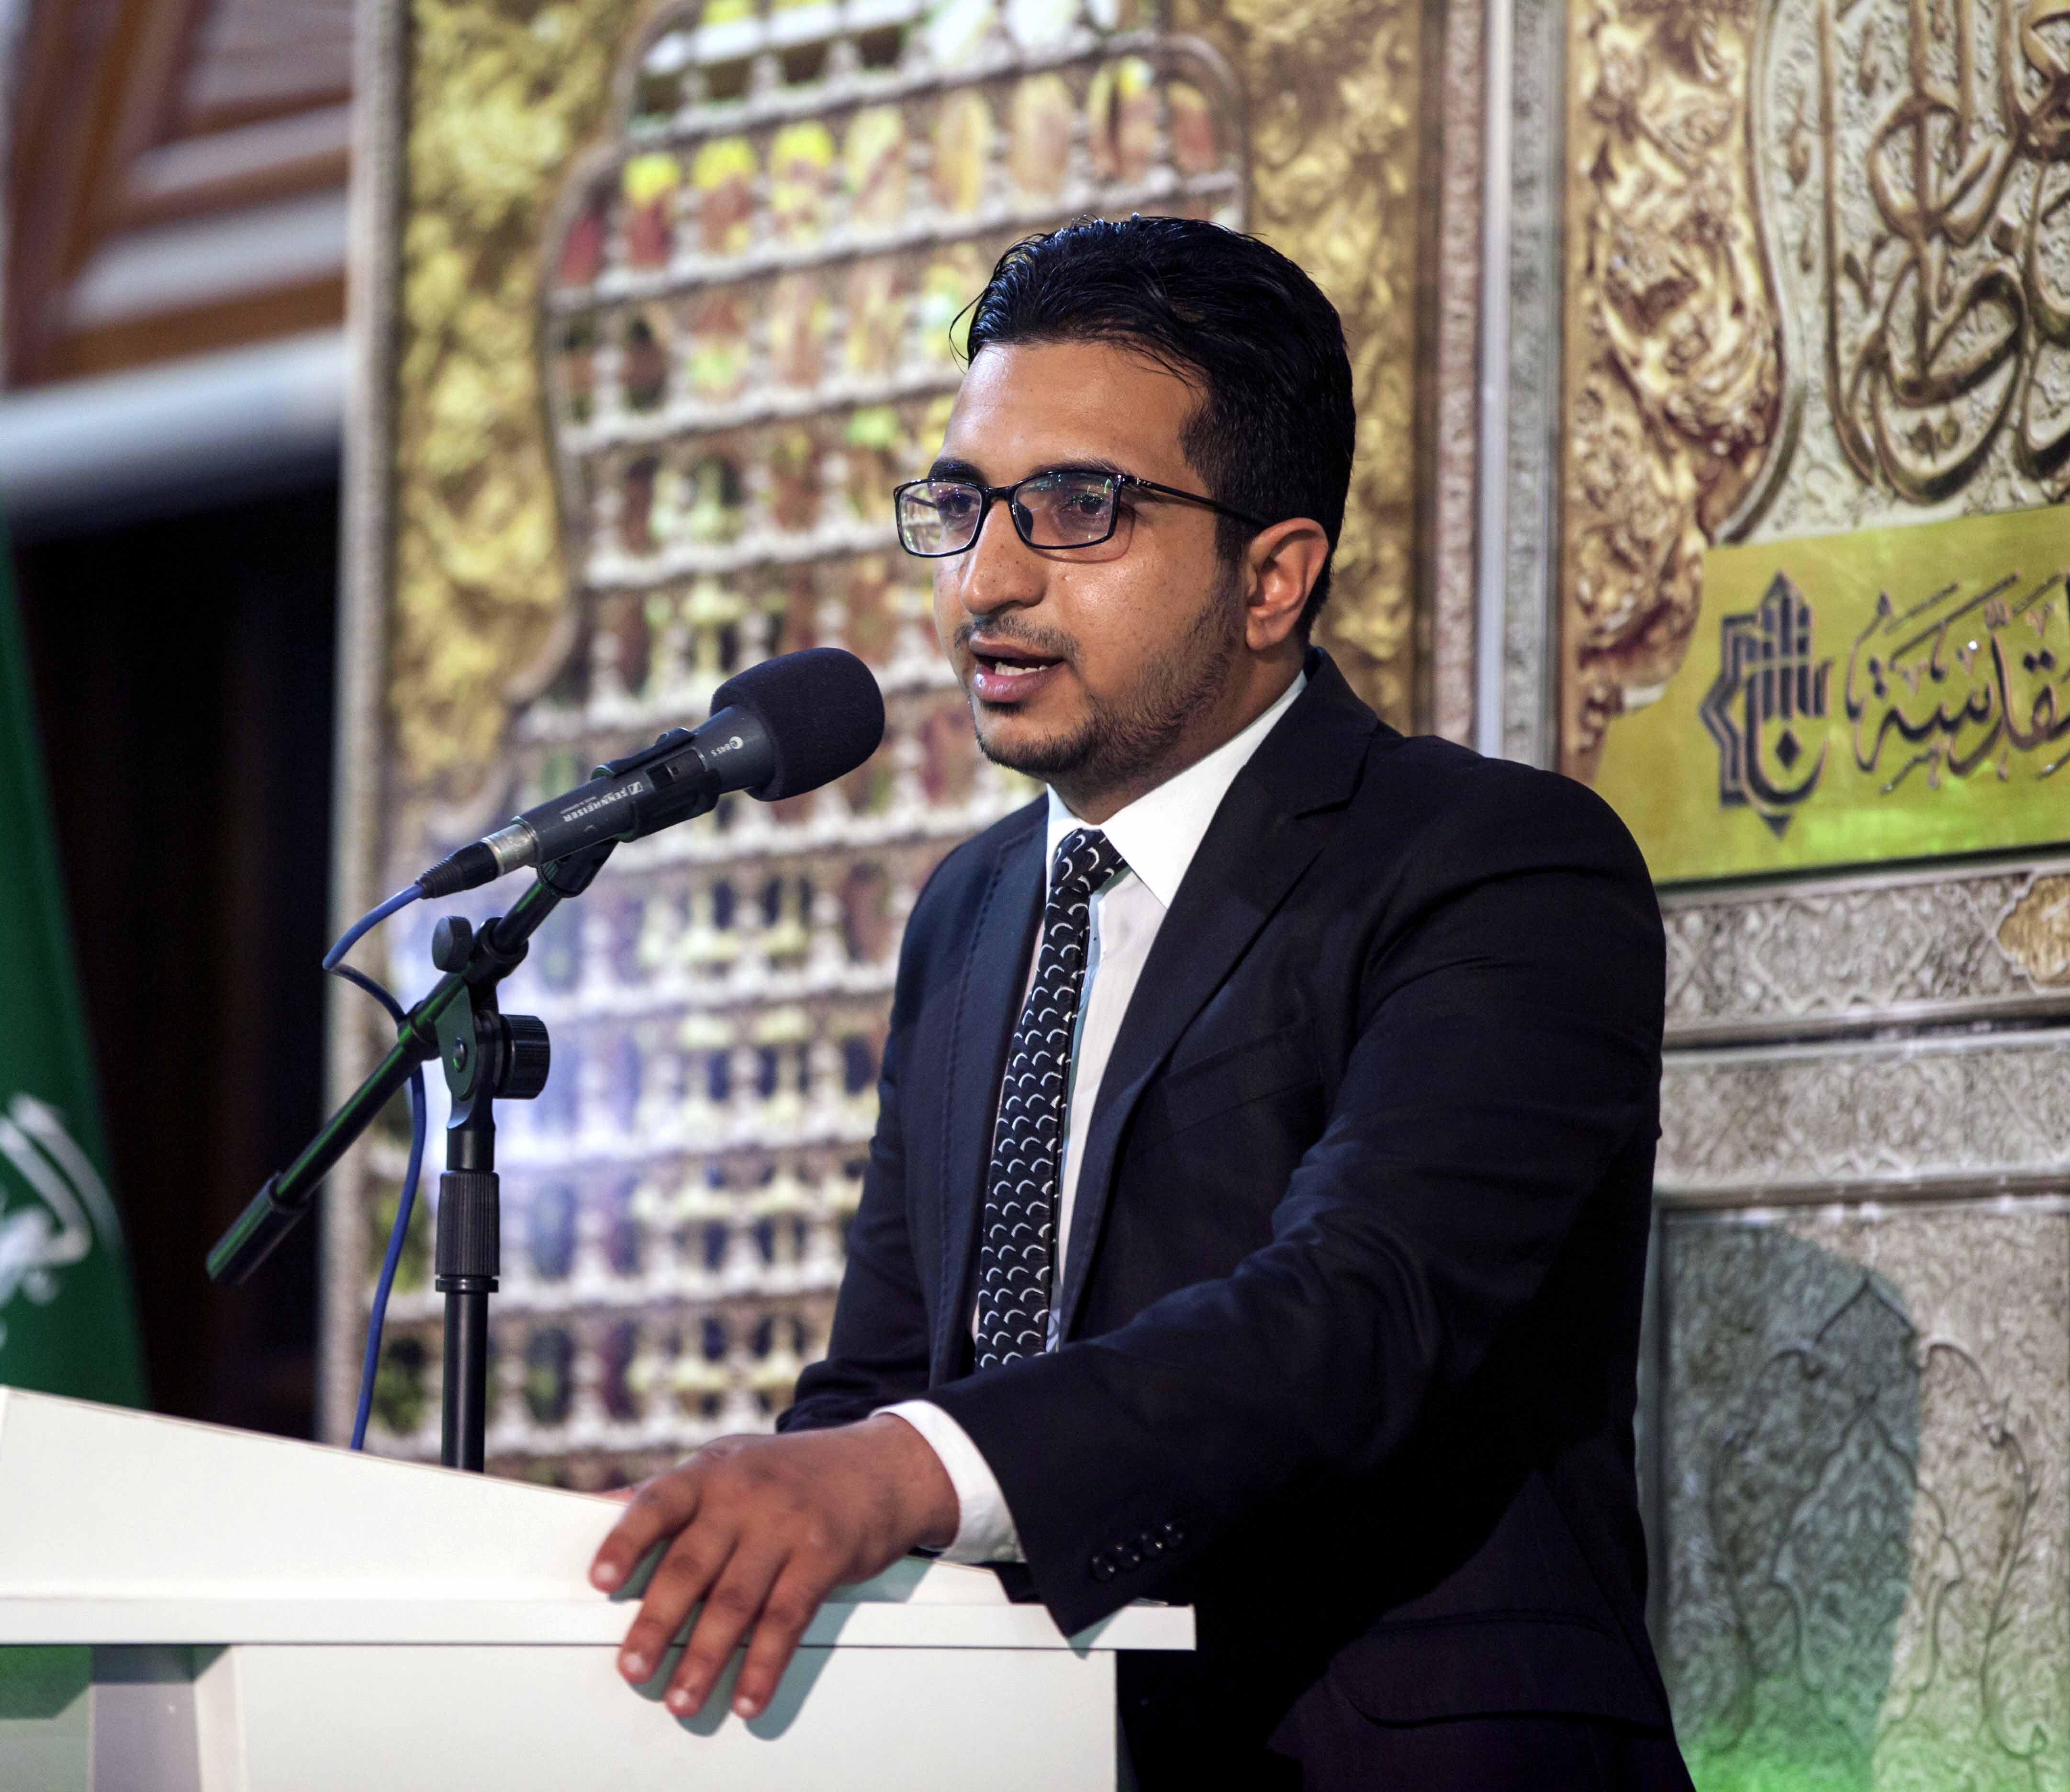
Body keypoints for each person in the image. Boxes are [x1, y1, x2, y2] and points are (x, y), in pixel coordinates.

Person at [586, 216, 1689, 1788]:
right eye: (965, 505)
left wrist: (897, 1472)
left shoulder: (1496, 865)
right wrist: (719, 1519)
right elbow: (891, 1377)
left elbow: (1356, 1309)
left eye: (1077, 508)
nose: (987, 579)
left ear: (1273, 577)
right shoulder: (972, 909)